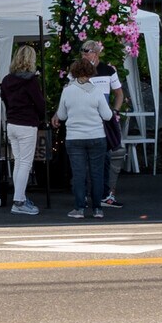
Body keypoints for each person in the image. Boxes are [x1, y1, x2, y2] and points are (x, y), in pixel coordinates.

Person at [52, 57, 113, 219]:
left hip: (74, 137)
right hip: (96, 136)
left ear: (74, 72)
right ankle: (97, 209)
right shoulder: (97, 91)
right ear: (91, 73)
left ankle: (79, 208)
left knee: (78, 174)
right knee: (97, 174)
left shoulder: (67, 90)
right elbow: (107, 116)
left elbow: (62, 115)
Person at [0, 44, 47, 216]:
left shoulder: (6, 80)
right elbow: (40, 103)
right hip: (27, 124)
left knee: (18, 162)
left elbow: (4, 98)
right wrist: (41, 117)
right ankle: (19, 201)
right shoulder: (31, 81)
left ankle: (19, 197)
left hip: (12, 123)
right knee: (25, 164)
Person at [81, 40, 126, 210]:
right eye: (83, 53)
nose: (84, 56)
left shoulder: (108, 71)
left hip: (103, 119)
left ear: (96, 53)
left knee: (106, 157)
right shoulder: (80, 71)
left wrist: (115, 110)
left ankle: (104, 195)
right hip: (85, 118)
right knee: (84, 158)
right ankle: (83, 195)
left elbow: (119, 93)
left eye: (88, 52)